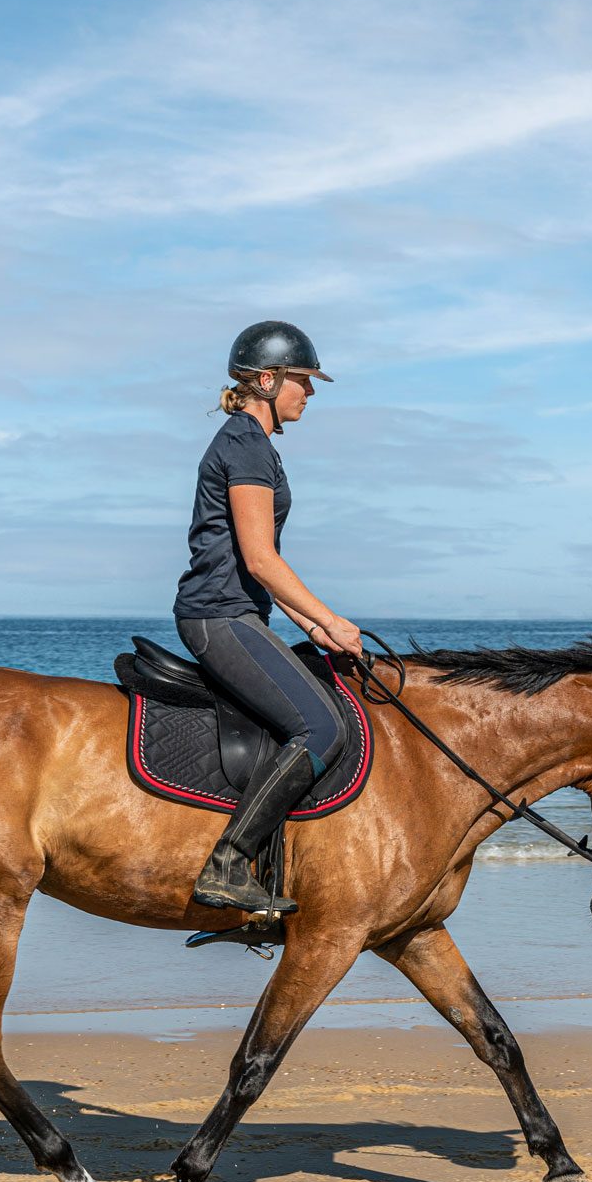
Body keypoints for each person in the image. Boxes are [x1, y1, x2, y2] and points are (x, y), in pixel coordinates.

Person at [173, 321, 361, 917]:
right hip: (219, 616)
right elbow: (261, 558)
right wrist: (334, 618)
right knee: (323, 730)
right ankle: (229, 863)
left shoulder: (255, 445)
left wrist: (314, 629)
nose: (310, 392)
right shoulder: (245, 446)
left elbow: (257, 567)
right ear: (267, 379)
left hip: (238, 611)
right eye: (303, 380)